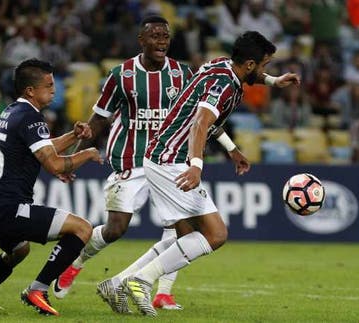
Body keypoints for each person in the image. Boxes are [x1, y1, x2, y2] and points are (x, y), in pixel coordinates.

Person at [52, 15, 249, 312]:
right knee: (116, 228)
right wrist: (74, 159)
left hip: (170, 159)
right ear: (141, 41)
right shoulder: (122, 75)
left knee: (183, 229)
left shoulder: (183, 74)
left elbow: (202, 117)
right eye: (154, 36)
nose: (161, 42)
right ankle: (75, 264)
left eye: (165, 36)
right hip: (131, 160)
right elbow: (99, 120)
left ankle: (161, 291)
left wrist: (230, 147)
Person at [119, 31, 300, 316]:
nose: (265, 71)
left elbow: (202, 111)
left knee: (185, 233)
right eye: (264, 66)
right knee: (215, 234)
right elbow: (200, 123)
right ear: (250, 64)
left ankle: (120, 283)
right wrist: (196, 165)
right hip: (172, 158)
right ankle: (140, 280)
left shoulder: (221, 65)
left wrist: (274, 82)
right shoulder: (225, 85)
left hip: (161, 152)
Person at [0, 58, 103, 316]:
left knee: (18, 250)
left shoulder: (12, 112)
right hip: (10, 207)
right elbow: (55, 165)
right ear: (30, 91)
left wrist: (73, 136)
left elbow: (42, 148)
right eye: (48, 85)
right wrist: (87, 154)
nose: (54, 90)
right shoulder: (31, 118)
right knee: (82, 228)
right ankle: (38, 289)